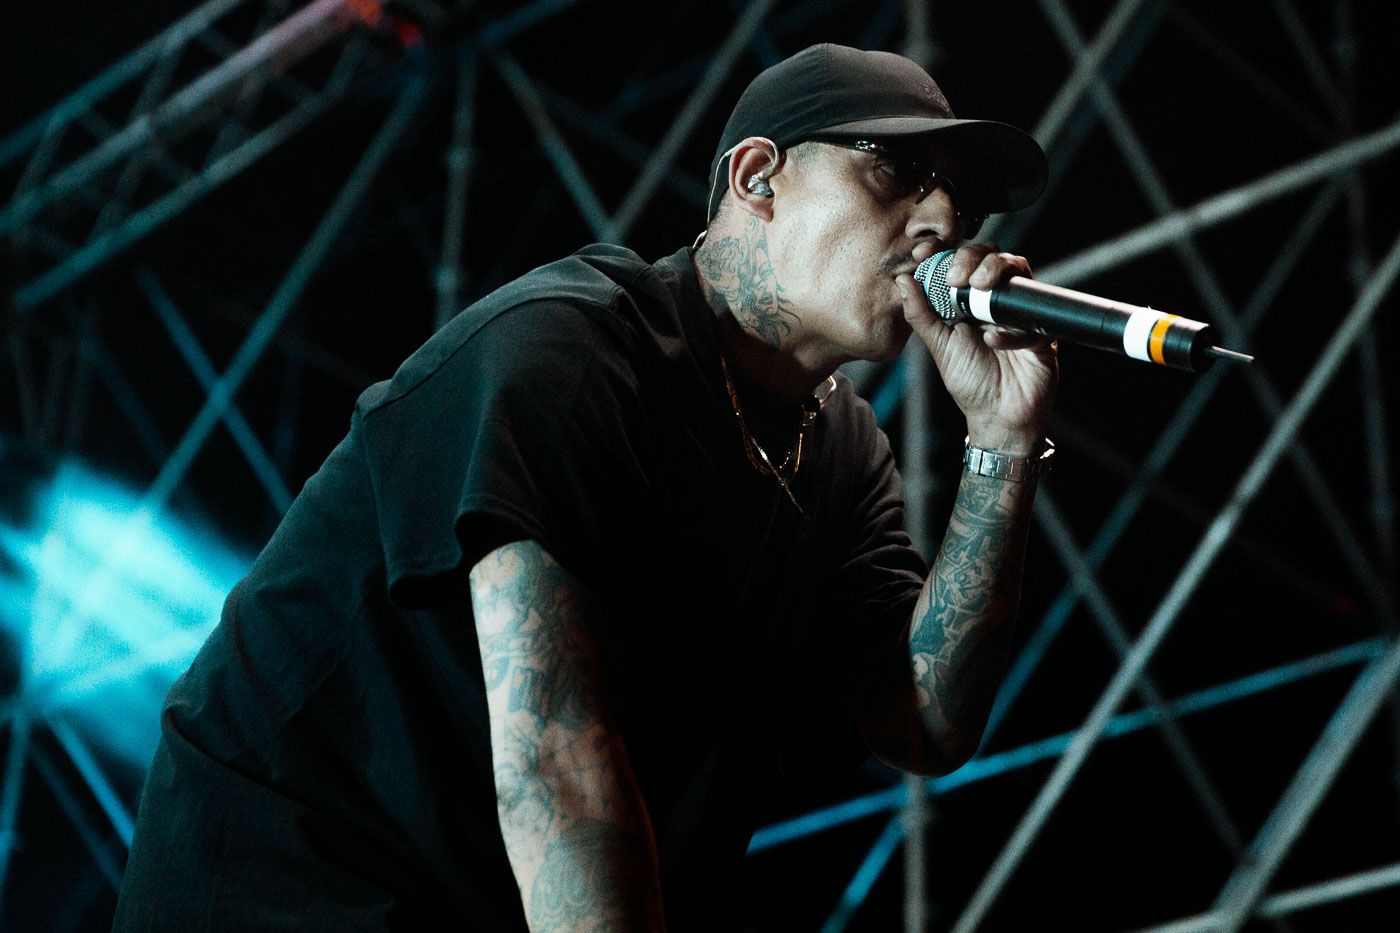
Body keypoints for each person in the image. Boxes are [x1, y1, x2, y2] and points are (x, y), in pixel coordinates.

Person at [115, 43, 1055, 931]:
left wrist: (1002, 438)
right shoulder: (569, 351)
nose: (944, 221)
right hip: (288, 880)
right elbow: (554, 763)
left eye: (962, 202)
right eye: (898, 171)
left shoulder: (842, 447)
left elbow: (924, 719)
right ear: (757, 177)